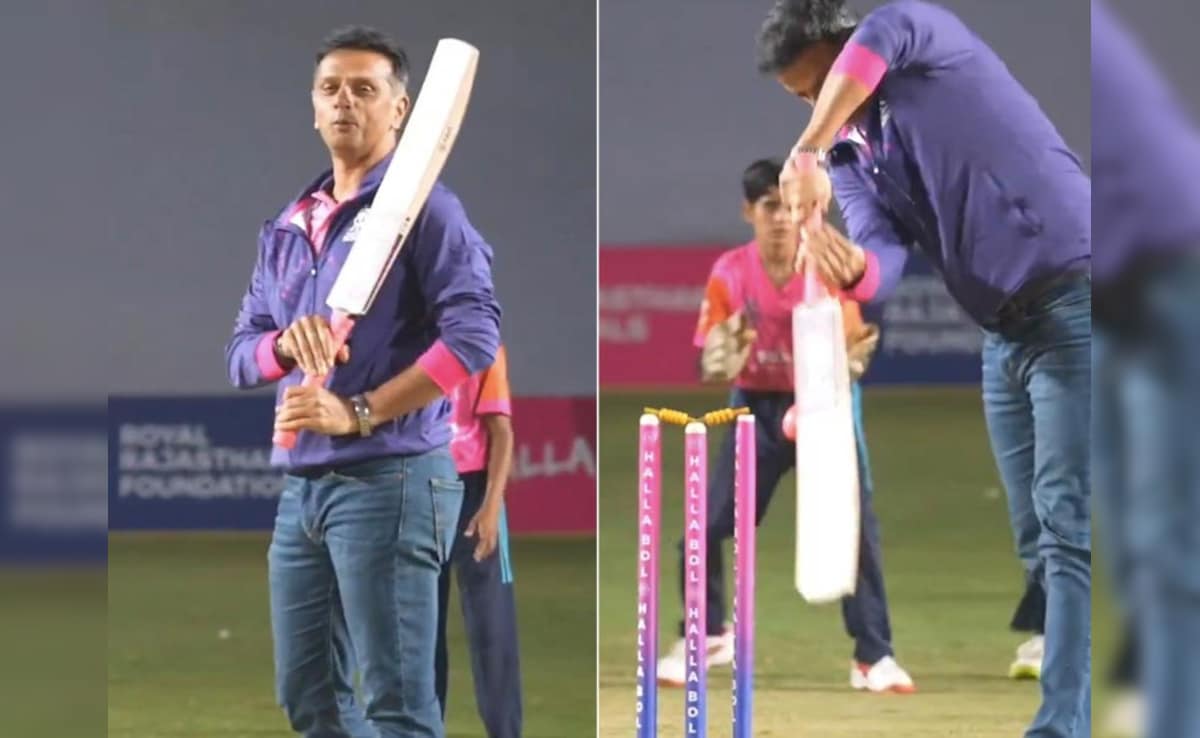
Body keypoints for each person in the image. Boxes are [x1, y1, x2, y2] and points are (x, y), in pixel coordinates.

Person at [756, 2, 1091, 736]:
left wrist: (805, 149)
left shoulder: (919, 37)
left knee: (1066, 525)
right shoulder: (851, 157)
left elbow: (880, 38)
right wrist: (854, 269)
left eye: (817, 87)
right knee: (1039, 540)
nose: (816, 107)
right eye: (801, 101)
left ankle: (1062, 723)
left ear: (841, 49)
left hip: (1076, 297)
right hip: (1003, 337)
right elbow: (880, 254)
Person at [223, 25, 501, 738]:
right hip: (304, 486)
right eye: (330, 88)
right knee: (310, 698)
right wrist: (283, 346)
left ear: (400, 108)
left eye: (364, 89)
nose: (344, 101)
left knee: (397, 706)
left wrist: (361, 411)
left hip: (393, 478)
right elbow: (240, 353)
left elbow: (473, 338)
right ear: (313, 107)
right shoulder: (290, 225)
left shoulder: (429, 210)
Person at [655, 158, 916, 693]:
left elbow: (855, 344)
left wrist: (848, 361)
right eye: (768, 206)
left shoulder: (824, 265)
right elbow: (708, 360)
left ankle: (874, 656)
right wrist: (723, 354)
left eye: (788, 208)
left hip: (824, 407)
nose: (780, 218)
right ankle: (708, 635)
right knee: (707, 525)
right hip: (755, 406)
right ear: (748, 212)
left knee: (853, 531)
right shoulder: (731, 272)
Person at [330, 346, 524, 738]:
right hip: (417, 487)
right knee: (420, 632)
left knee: (493, 630)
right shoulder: (403, 341)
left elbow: (501, 430)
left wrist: (491, 506)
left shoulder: (483, 342)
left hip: (474, 495)